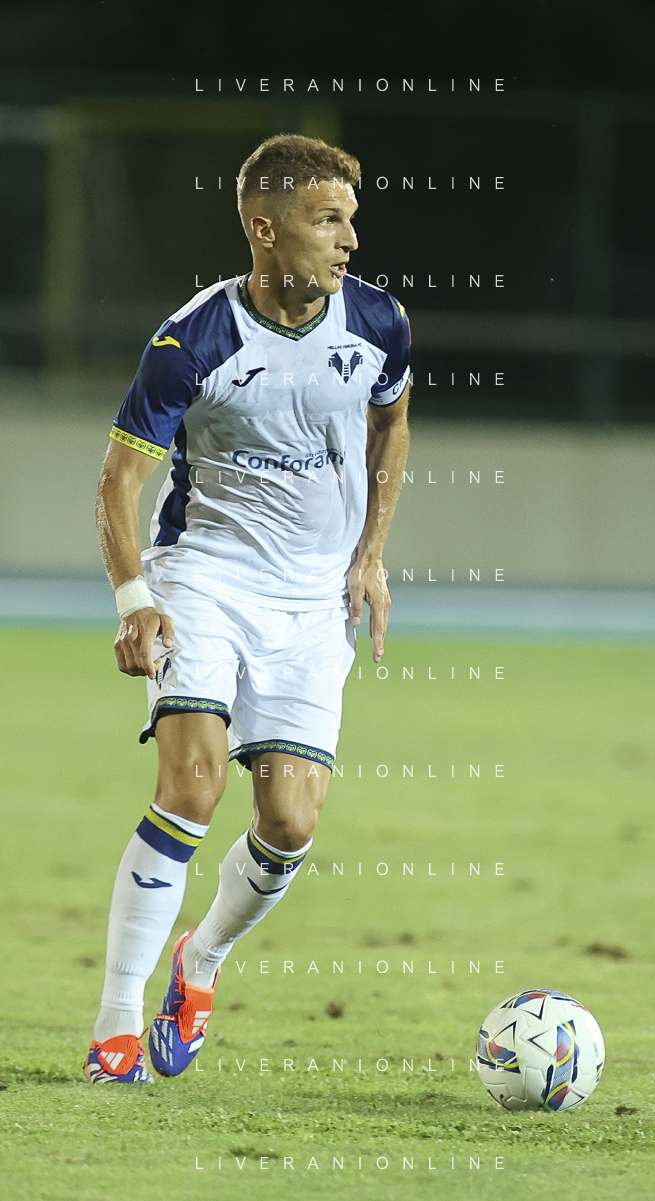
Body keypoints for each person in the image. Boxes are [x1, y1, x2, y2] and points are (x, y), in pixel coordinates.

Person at [85, 134, 411, 1084]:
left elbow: (391, 422)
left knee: (291, 821)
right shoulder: (193, 341)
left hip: (312, 600)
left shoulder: (379, 322)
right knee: (192, 786)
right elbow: (118, 481)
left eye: (351, 219)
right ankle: (114, 1025)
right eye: (327, 219)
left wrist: (371, 553)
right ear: (266, 230)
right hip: (207, 578)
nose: (349, 239)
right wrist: (136, 598)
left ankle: (202, 959)